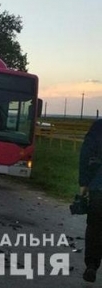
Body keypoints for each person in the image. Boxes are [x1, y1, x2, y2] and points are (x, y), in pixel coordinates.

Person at [79, 119, 102, 283]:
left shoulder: (98, 127)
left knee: (95, 226)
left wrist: (84, 183)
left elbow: (86, 153)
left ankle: (92, 265)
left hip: (99, 186)